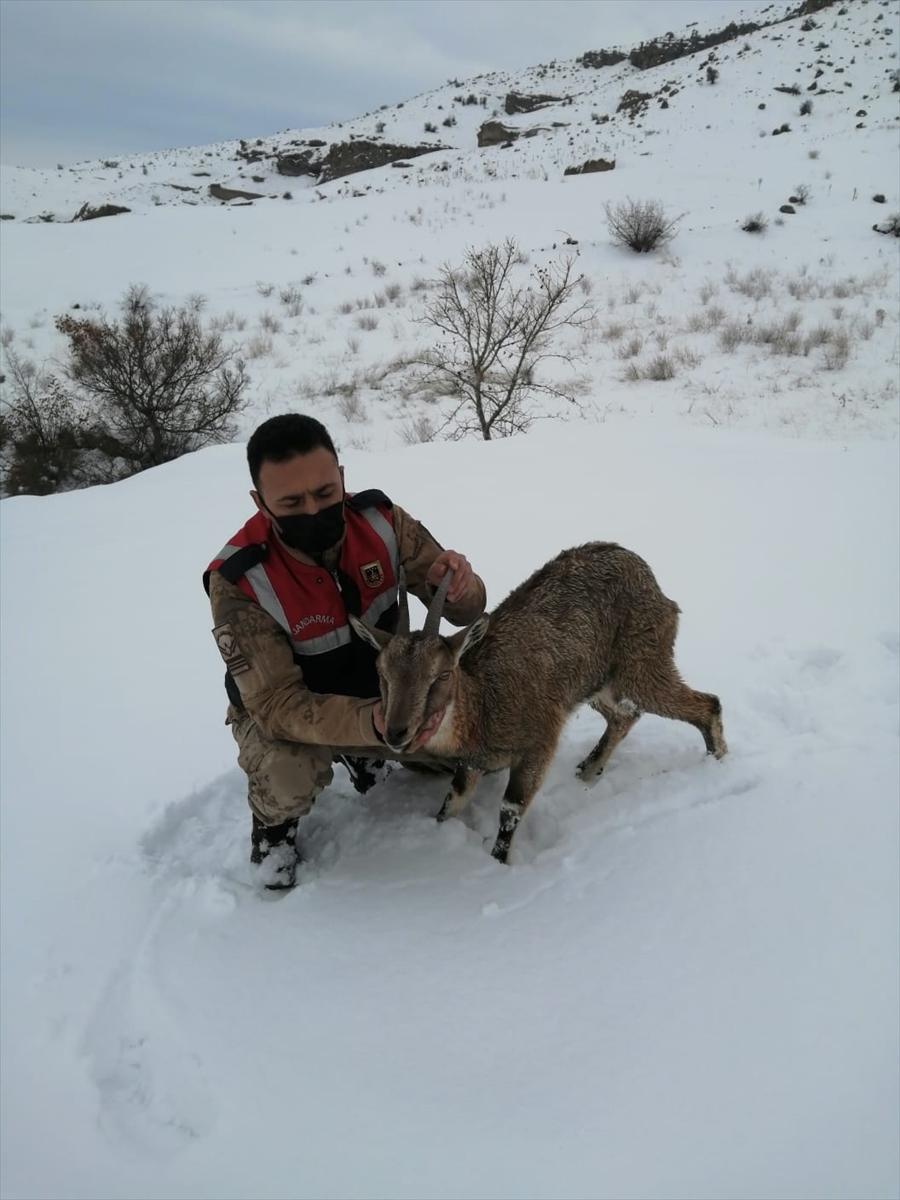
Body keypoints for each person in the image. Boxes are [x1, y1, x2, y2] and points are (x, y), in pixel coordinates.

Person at [204, 413, 486, 889]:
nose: (313, 511)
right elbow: (275, 706)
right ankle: (274, 832)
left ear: (341, 479)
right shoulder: (240, 580)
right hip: (287, 712)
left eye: (325, 494)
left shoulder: (381, 522)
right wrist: (366, 722)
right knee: (288, 773)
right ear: (261, 502)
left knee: (464, 750)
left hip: (382, 693)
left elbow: (464, 615)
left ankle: (363, 753)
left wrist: (461, 587)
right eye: (291, 502)